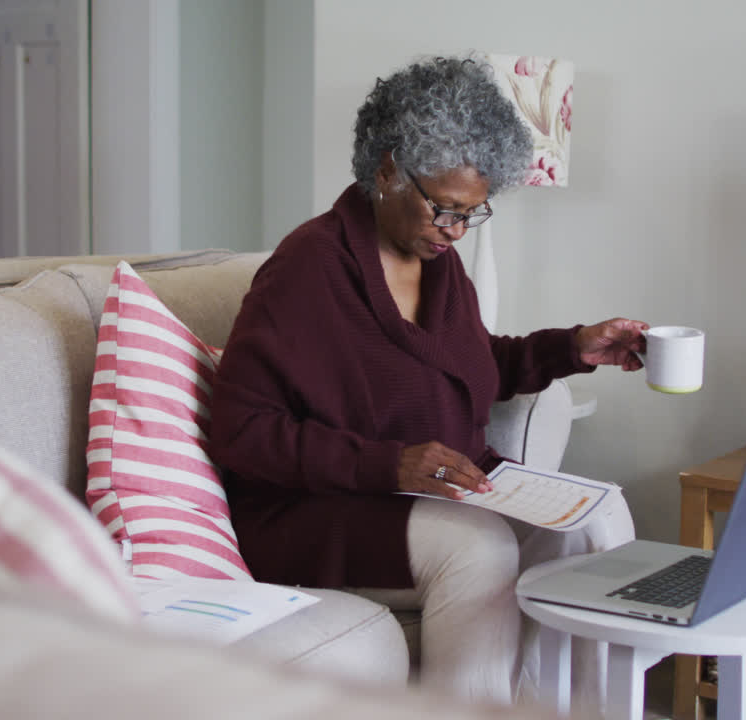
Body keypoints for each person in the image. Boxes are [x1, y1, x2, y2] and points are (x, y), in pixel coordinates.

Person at [208, 55, 646, 708]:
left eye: (473, 213)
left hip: (434, 491)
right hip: (317, 510)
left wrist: (575, 347)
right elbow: (242, 434)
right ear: (386, 169)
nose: (456, 231)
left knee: (587, 523)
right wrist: (391, 465)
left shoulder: (437, 264)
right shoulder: (307, 270)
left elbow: (472, 365)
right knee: (479, 549)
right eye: (444, 209)